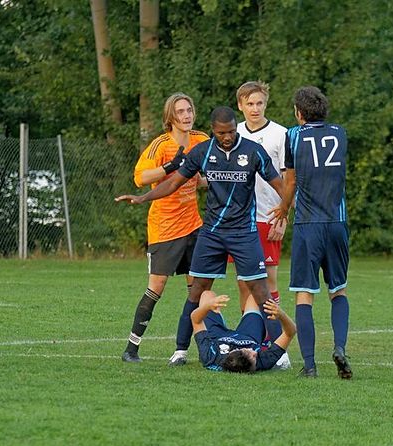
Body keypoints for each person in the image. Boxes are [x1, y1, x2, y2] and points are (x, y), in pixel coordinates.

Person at [116, 106, 283, 366]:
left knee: (260, 291)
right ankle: (180, 351)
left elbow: (279, 183)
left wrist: (286, 208)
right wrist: (143, 198)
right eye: (221, 133)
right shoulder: (202, 151)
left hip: (243, 233)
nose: (227, 137)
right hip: (210, 233)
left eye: (231, 131)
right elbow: (173, 183)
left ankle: (279, 353)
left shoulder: (252, 151)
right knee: (195, 291)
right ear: (213, 130)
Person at [269, 86, 352, 379]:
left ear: (299, 112)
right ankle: (339, 347)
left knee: (304, 295)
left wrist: (282, 209)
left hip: (308, 224)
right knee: (338, 290)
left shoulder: (293, 135)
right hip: (337, 222)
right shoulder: (340, 133)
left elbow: (290, 181)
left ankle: (310, 365)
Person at [120, 93, 209, 363]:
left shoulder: (201, 140)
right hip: (164, 228)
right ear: (170, 117)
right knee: (156, 287)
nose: (186, 115)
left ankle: (192, 349)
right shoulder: (161, 145)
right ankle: (131, 349)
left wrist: (208, 179)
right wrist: (169, 167)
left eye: (189, 110)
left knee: (197, 288)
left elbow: (205, 177)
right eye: (180, 111)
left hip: (194, 226)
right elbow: (140, 178)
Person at [234, 82, 287, 342]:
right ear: (240, 106)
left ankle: (274, 340)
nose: (255, 109)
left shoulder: (281, 134)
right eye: (250, 104)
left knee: (268, 282)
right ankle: (250, 337)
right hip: (239, 220)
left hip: (269, 217)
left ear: (266, 104)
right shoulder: (233, 133)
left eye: (259, 103)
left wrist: (284, 217)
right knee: (244, 283)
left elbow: (289, 180)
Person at [190, 290, 294, 372]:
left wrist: (208, 306)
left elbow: (195, 319)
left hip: (216, 335)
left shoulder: (210, 357)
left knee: (207, 294)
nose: (255, 353)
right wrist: (282, 315)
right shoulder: (263, 361)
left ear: (233, 351)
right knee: (256, 296)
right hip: (249, 336)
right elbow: (290, 333)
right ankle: (265, 337)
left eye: (249, 352)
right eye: (254, 358)